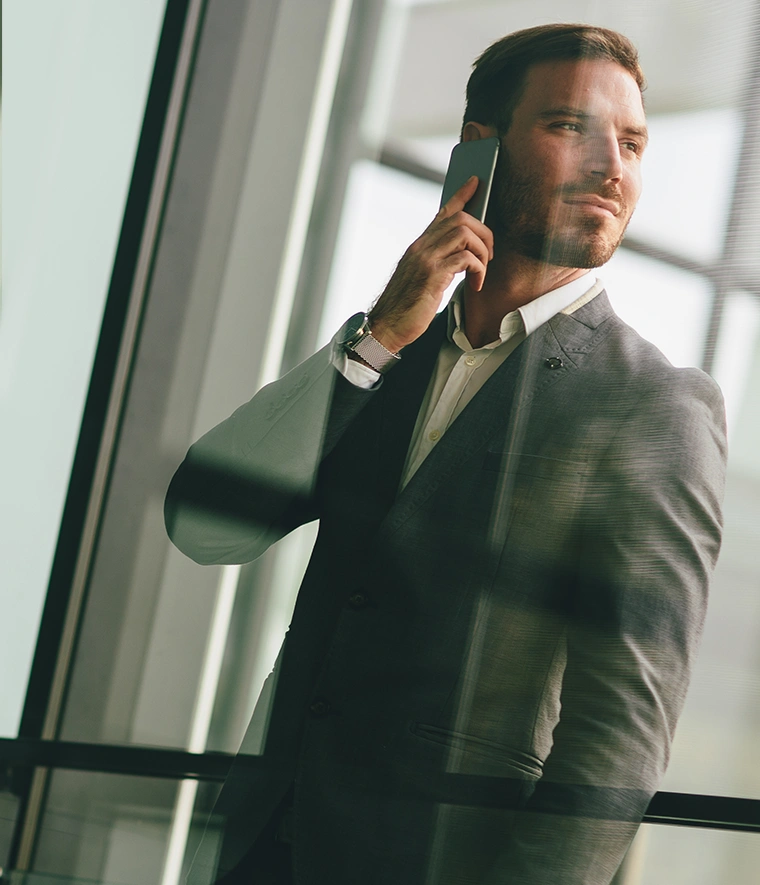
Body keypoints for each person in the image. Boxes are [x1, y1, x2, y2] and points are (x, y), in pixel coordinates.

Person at [165, 23, 727, 885]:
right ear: (480, 150)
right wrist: (378, 340)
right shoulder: (392, 355)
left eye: (634, 142)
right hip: (262, 844)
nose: (615, 169)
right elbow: (207, 524)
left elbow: (622, 736)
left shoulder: (655, 403)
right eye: (572, 127)